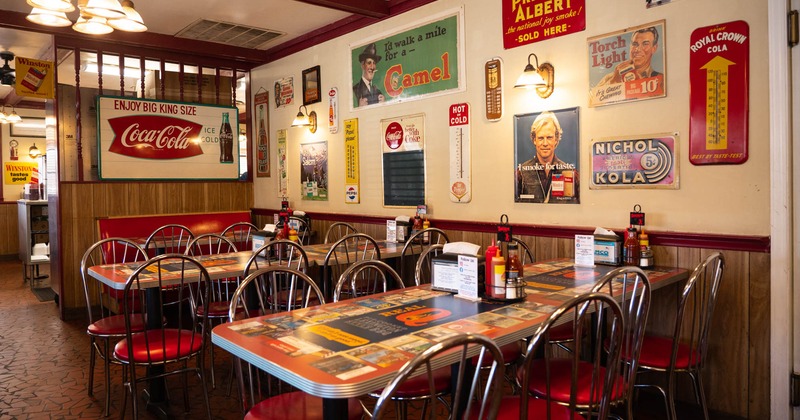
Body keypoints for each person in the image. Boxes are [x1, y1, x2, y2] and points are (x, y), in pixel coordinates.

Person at [516, 111, 578, 203]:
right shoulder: (520, 174)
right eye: (541, 138)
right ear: (534, 140)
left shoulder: (571, 173)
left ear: (556, 140)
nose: (545, 143)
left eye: (549, 138)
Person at [353, 43, 385, 107]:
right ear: (363, 65)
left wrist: (383, 105)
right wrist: (359, 108)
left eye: (374, 63)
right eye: (369, 63)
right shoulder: (355, 90)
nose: (372, 67)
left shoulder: (378, 92)